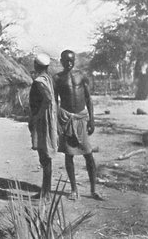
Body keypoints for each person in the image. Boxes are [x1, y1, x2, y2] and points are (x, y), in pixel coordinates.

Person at [53, 50, 103, 201]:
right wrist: (57, 121)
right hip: (67, 119)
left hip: (81, 118)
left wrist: (92, 119)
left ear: (74, 60)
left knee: (89, 155)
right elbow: (55, 102)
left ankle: (94, 190)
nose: (69, 63)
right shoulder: (57, 78)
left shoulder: (81, 75)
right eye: (66, 61)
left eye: (71, 60)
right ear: (61, 61)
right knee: (69, 155)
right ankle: (74, 189)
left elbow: (88, 99)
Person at [28, 53, 58, 201]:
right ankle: (46, 191)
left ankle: (45, 193)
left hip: (42, 122)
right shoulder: (49, 79)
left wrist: (37, 116)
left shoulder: (39, 82)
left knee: (44, 156)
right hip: (46, 119)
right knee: (46, 158)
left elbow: (47, 99)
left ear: (36, 65)